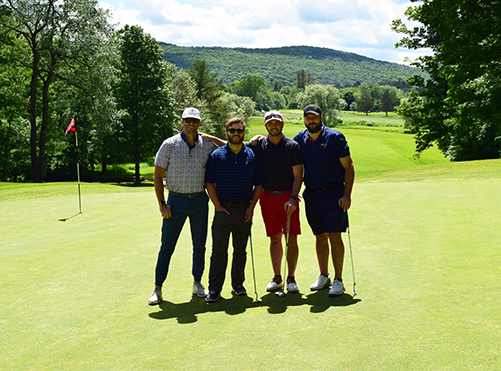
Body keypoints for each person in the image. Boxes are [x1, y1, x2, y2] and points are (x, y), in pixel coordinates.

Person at [148, 107, 217, 305]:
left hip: (199, 201)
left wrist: (211, 137)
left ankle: (197, 283)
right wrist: (162, 203)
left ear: (199, 123)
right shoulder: (169, 144)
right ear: (181, 121)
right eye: (187, 120)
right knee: (167, 247)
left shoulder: (207, 145)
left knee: (200, 246)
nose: (191, 123)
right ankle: (158, 288)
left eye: (194, 121)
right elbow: (157, 175)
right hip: (175, 201)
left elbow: (228, 146)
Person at [293, 104, 355, 296]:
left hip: (335, 194)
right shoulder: (299, 139)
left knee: (335, 236)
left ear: (321, 118)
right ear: (304, 119)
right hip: (311, 194)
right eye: (308, 117)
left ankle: (338, 280)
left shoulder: (334, 137)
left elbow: (349, 167)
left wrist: (346, 195)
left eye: (314, 117)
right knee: (320, 236)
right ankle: (324, 276)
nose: (311, 120)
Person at [204, 117, 264, 302]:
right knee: (218, 252)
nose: (236, 134)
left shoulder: (252, 156)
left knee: (240, 251)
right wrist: (217, 205)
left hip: (244, 211)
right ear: (226, 133)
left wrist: (252, 207)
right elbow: (209, 183)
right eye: (232, 131)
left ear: (244, 133)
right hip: (223, 211)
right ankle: (214, 289)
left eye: (239, 131)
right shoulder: (217, 155)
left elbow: (259, 184)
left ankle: (238, 285)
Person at [247, 111, 303, 293]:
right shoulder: (258, 145)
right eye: (270, 123)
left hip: (288, 197)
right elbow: (232, 145)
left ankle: (291, 278)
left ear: (282, 125)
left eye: (277, 123)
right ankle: (277, 276)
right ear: (265, 126)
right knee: (274, 238)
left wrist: (294, 198)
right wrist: (209, 138)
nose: (274, 126)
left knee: (291, 237)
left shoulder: (292, 146)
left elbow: (298, 175)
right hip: (267, 197)